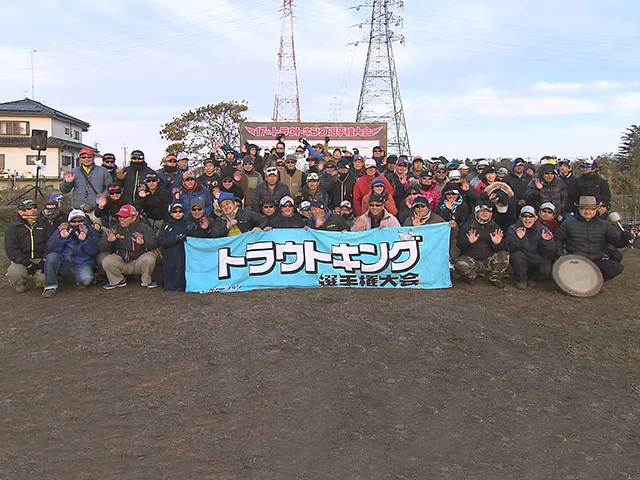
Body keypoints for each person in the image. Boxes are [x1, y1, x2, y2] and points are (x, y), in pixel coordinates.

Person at [554, 196, 632, 281]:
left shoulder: (605, 225)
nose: (587, 211)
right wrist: (560, 254)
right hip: (576, 261)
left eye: (591, 209)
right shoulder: (568, 224)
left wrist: (624, 238)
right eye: (583, 208)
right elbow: (558, 239)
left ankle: (595, 281)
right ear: (579, 209)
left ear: (596, 209)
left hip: (596, 261)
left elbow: (617, 242)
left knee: (616, 268)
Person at [42, 209, 100, 297]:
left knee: (87, 279)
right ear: (69, 221)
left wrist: (85, 240)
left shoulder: (90, 231)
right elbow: (50, 249)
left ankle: (76, 279)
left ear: (85, 220)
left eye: (80, 220)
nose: (77, 223)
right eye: (73, 221)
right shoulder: (62, 230)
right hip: (64, 262)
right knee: (51, 257)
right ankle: (50, 287)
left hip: (81, 263)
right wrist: (62, 238)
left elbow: (94, 251)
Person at [99, 205, 159, 289]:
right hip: (122, 262)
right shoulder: (113, 229)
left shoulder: (144, 227)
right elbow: (100, 248)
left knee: (150, 257)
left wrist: (144, 242)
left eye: (125, 217)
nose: (121, 219)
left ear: (134, 217)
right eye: (119, 216)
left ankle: (146, 281)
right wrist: (108, 241)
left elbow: (155, 243)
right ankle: (118, 281)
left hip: (139, 262)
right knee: (107, 260)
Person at [455, 202, 509, 288]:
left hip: (488, 260)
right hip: (472, 259)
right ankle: (472, 277)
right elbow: (459, 246)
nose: (485, 213)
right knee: (460, 264)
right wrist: (469, 242)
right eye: (482, 211)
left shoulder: (495, 227)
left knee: (504, 255)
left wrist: (497, 244)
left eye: (487, 211)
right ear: (476, 212)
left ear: (491, 214)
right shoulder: (467, 226)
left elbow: (503, 247)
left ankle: (494, 278)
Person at [4, 199, 53, 292]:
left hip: (41, 258)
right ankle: (20, 283)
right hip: (22, 259)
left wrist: (43, 262)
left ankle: (39, 280)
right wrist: (28, 264)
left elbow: (51, 245)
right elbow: (11, 250)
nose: (33, 210)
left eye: (35, 207)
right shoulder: (13, 227)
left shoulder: (45, 224)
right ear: (21, 212)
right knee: (15, 274)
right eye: (29, 208)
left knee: (44, 279)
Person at [506, 206, 556, 290]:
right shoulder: (513, 228)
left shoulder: (543, 230)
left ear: (536, 217)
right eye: (524, 216)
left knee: (548, 271)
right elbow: (511, 249)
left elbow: (549, 253)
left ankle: (531, 277)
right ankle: (521, 279)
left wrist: (546, 242)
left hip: (536, 257)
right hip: (522, 257)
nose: (527, 219)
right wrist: (519, 238)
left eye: (530, 216)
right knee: (516, 256)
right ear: (520, 217)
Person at [60, 147, 112, 211]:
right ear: (80, 158)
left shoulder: (103, 171)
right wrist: (67, 183)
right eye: (83, 157)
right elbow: (64, 190)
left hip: (97, 209)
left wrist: (103, 197)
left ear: (93, 158)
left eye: (89, 157)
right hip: (78, 209)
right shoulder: (74, 172)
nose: (86, 159)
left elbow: (110, 187)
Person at [158, 203, 189, 292]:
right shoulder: (166, 226)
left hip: (183, 254)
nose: (178, 213)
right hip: (170, 254)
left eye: (180, 211)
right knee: (171, 269)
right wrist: (175, 239)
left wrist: (192, 231)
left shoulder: (187, 225)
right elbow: (161, 241)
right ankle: (169, 285)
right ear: (171, 213)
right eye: (175, 211)